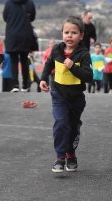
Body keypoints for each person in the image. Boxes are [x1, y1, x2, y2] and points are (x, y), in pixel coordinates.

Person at [39, 16, 93, 173]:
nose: (70, 36)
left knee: (73, 128)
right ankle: (60, 157)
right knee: (61, 123)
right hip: (58, 95)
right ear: (62, 34)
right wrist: (43, 78)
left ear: (81, 36)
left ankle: (71, 154)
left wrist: (73, 67)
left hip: (76, 98)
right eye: (66, 32)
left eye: (74, 33)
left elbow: (89, 77)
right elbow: (49, 63)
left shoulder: (83, 54)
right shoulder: (56, 50)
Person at [3, 0, 36, 92]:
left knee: (13, 61)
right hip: (25, 34)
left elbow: (5, 18)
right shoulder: (29, 2)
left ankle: (15, 85)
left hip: (12, 34)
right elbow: (32, 18)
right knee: (24, 60)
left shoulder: (9, 3)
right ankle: (25, 84)